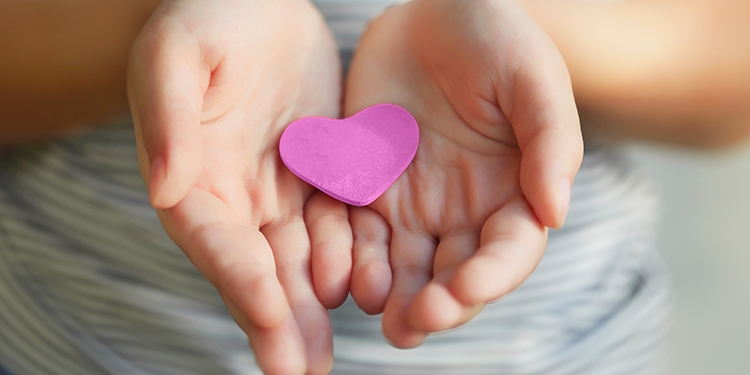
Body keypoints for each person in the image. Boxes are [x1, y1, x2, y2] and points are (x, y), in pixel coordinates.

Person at [1, 0, 747, 374]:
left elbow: (729, 63)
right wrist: (157, 22)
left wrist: (521, 20)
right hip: (82, 343)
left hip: (565, 350)